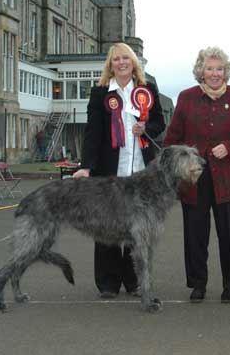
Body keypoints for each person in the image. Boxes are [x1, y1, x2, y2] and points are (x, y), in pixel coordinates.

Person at [163, 46, 230, 304]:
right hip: (194, 180)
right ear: (201, 71)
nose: (215, 73)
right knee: (195, 236)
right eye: (209, 68)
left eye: (219, 68)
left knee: (229, 236)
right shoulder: (186, 98)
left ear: (225, 71)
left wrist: (229, 147)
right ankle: (197, 284)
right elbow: (172, 139)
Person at [72, 43, 165, 298]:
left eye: (126, 58)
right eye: (116, 59)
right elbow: (92, 133)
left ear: (133, 62)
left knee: (138, 229)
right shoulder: (100, 93)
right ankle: (107, 282)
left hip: (142, 172)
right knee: (106, 227)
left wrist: (147, 127)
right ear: (110, 64)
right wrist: (86, 167)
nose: (121, 62)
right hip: (109, 172)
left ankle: (134, 281)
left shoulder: (148, 89)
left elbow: (159, 121)